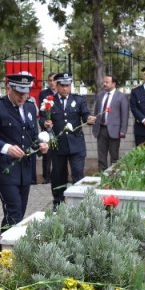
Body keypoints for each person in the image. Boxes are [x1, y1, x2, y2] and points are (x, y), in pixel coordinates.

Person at [0, 72, 49, 233]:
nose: (22, 96)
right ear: (8, 88)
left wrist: (41, 146)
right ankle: (6, 251)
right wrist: (7, 148)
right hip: (4, 168)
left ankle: (3, 248)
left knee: (19, 211)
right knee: (14, 209)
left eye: (26, 92)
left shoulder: (30, 107)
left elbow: (32, 136)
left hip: (25, 168)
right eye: (19, 92)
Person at [41, 72, 95, 208]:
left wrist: (89, 119)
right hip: (58, 145)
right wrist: (45, 123)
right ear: (56, 85)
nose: (65, 88)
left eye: (68, 85)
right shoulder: (49, 101)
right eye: (62, 85)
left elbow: (85, 115)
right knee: (58, 175)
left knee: (77, 173)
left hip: (76, 144)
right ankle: (58, 203)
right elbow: (42, 118)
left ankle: (80, 203)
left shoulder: (78, 100)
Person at [91, 74, 128, 172]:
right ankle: (102, 177)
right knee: (101, 156)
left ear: (114, 84)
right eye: (104, 82)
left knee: (114, 157)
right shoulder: (100, 95)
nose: (104, 84)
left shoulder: (121, 97)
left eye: (107, 82)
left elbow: (125, 115)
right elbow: (96, 112)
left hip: (114, 131)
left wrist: (123, 130)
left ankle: (114, 177)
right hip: (101, 129)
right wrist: (94, 125)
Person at [38, 73, 58, 184]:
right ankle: (46, 177)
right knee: (47, 154)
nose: (51, 82)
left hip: (58, 127)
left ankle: (57, 175)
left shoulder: (61, 93)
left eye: (54, 80)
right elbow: (42, 113)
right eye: (49, 80)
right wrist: (45, 122)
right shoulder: (44, 94)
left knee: (58, 154)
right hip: (47, 128)